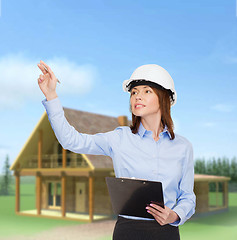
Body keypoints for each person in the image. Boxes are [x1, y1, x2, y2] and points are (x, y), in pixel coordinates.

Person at [37, 60, 196, 240]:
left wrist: (174, 215)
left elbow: (188, 197)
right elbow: (71, 140)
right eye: (134, 92)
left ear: (164, 98)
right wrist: (51, 95)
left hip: (166, 233)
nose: (137, 96)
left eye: (146, 91)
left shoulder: (183, 147)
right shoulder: (119, 138)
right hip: (127, 232)